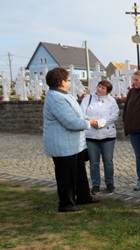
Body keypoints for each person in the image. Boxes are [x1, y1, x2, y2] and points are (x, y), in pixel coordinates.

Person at [43, 67, 99, 212]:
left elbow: (76, 115)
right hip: (62, 144)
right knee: (66, 175)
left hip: (74, 143)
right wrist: (90, 123)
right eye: (67, 80)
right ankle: (66, 203)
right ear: (61, 82)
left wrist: (85, 119)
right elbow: (70, 122)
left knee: (79, 171)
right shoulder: (56, 98)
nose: (69, 82)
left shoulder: (63, 95)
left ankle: (83, 197)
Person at [80, 80, 120, 194]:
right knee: (94, 162)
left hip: (108, 135)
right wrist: (92, 122)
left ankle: (109, 183)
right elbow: (81, 113)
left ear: (107, 91)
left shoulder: (111, 101)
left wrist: (101, 123)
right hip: (91, 135)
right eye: (99, 86)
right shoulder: (88, 99)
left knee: (108, 161)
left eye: (103, 88)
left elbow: (114, 115)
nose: (99, 89)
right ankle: (95, 184)